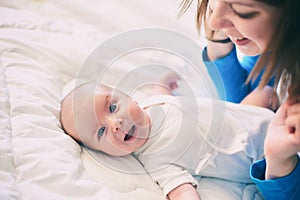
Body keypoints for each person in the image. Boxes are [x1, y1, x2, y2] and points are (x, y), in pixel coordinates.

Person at [60, 81, 274, 200]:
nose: (115, 124)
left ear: (128, 96)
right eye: (100, 132)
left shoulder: (151, 102)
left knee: (266, 91)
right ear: (102, 152)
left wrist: (163, 85)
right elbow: (181, 190)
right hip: (263, 153)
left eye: (113, 107)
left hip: (249, 113)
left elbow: (164, 96)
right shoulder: (155, 160)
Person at [179, 0, 300, 199]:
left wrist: (278, 160)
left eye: (242, 12)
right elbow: (242, 111)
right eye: (213, 3)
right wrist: (219, 45)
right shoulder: (277, 48)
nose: (213, 22)